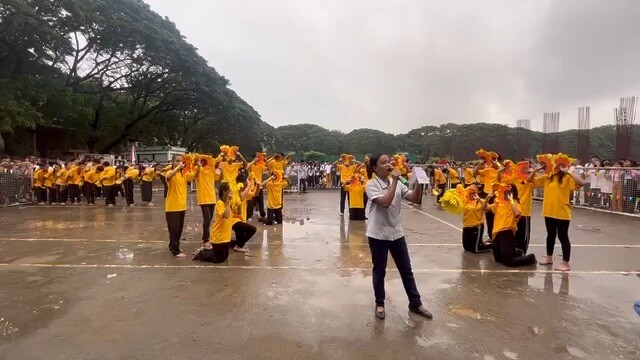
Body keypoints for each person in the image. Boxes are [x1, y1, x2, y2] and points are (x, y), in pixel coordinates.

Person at [365, 153, 433, 320]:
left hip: (396, 233)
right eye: (383, 163)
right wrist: (395, 180)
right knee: (379, 270)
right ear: (374, 168)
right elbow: (385, 203)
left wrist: (419, 182)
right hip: (378, 234)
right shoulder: (371, 185)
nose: (388, 165)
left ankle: (415, 303)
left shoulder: (398, 184)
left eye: (389, 162)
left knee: (406, 270)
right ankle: (380, 303)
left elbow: (415, 199)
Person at [528, 155, 585, 271]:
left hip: (562, 212)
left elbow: (581, 182)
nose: (556, 167)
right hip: (549, 211)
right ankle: (549, 258)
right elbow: (530, 180)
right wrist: (535, 170)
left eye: (559, 165)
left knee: (563, 237)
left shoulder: (567, 178)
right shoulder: (547, 177)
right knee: (550, 235)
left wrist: (568, 172)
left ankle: (566, 263)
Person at [484, 184, 537, 267]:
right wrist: (487, 198)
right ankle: (516, 252)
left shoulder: (516, 204)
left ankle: (531, 258)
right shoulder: (498, 204)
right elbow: (485, 209)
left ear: (512, 193)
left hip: (507, 232)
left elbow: (517, 213)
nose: (506, 194)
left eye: (508, 192)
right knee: (498, 259)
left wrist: (511, 200)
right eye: (504, 192)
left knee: (509, 262)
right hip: (496, 233)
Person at [164, 154, 195, 257]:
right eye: (177, 161)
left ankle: (173, 245)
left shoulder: (184, 174)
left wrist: (198, 166)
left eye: (181, 161)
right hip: (172, 207)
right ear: (172, 162)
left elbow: (194, 176)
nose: (179, 163)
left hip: (182, 206)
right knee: (174, 229)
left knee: (179, 229)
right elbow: (168, 177)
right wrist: (178, 168)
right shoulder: (170, 173)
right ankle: (175, 250)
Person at [229, 174, 257, 253]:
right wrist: (249, 185)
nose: (245, 187)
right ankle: (238, 246)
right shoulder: (235, 191)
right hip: (233, 220)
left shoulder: (242, 192)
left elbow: (255, 194)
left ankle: (235, 244)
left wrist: (257, 186)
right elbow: (241, 198)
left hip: (239, 219)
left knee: (240, 232)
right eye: (245, 185)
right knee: (252, 229)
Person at [194, 156, 218, 243]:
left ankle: (206, 236)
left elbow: (219, 177)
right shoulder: (199, 170)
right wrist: (198, 165)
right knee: (207, 220)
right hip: (204, 199)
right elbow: (195, 175)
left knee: (209, 220)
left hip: (212, 198)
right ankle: (205, 238)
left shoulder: (212, 171)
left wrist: (221, 168)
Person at [461, 185, 492, 253]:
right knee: (467, 248)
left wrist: (479, 199)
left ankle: (492, 246)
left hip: (477, 226)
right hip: (466, 226)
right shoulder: (464, 201)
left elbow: (488, 209)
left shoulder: (481, 201)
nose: (472, 195)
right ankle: (480, 242)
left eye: (474, 193)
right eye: (470, 193)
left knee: (475, 249)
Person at [247, 153, 268, 221]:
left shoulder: (260, 166)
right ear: (253, 158)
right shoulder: (251, 165)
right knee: (251, 202)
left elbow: (266, 168)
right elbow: (247, 167)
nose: (258, 159)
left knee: (260, 202)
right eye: (256, 157)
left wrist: (265, 159)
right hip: (252, 187)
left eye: (258, 157)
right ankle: (249, 216)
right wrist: (254, 161)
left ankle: (263, 215)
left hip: (259, 186)